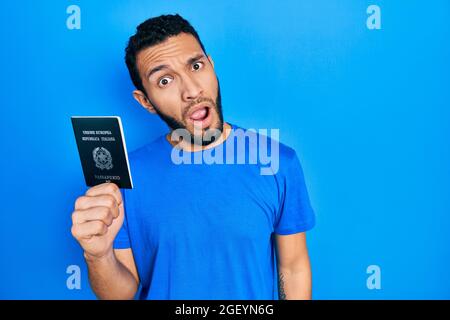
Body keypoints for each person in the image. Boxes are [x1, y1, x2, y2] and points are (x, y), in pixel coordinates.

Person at [71, 14, 316, 300]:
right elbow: (121, 294)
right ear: (145, 101)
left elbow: (293, 266)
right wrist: (97, 256)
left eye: (196, 66)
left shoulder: (277, 162)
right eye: (165, 81)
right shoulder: (124, 178)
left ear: (211, 66)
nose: (191, 90)